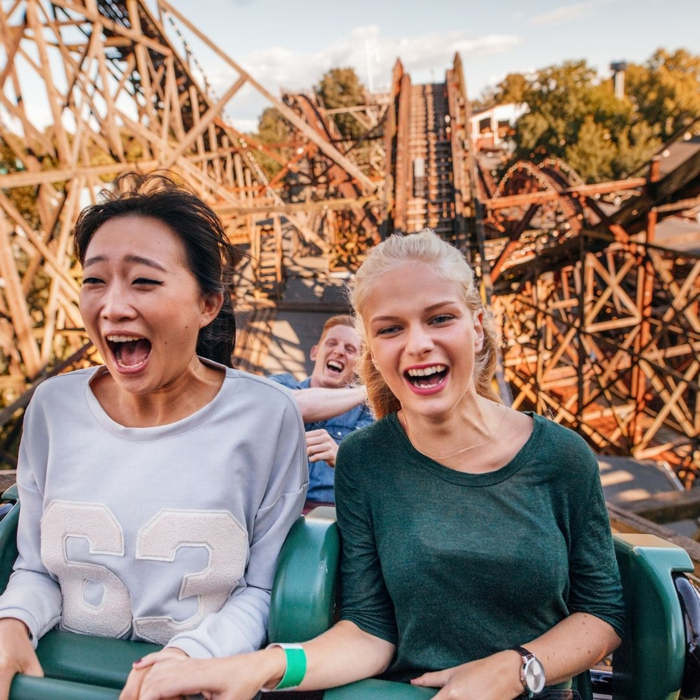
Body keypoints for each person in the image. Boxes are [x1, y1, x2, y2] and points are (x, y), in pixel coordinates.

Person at [128, 229, 625, 700]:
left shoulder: (561, 456)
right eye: (391, 329)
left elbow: (602, 613)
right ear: (374, 349)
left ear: (476, 328)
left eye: (439, 318)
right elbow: (371, 631)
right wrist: (257, 666)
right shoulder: (367, 461)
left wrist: (513, 669)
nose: (417, 344)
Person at [0, 173, 307, 700]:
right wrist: (13, 624)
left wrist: (192, 658)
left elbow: (262, 589)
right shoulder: (53, 407)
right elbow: (37, 568)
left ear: (209, 303)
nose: (113, 306)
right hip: (62, 680)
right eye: (95, 281)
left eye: (144, 282)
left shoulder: (267, 418)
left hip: (199, 685)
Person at [272, 315, 372, 506]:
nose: (339, 351)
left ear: (359, 365)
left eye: (350, 349)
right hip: (272, 511)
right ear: (315, 352)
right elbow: (294, 405)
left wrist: (342, 459)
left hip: (328, 516)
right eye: (332, 343)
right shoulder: (281, 384)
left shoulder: (366, 414)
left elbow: (373, 477)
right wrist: (369, 390)